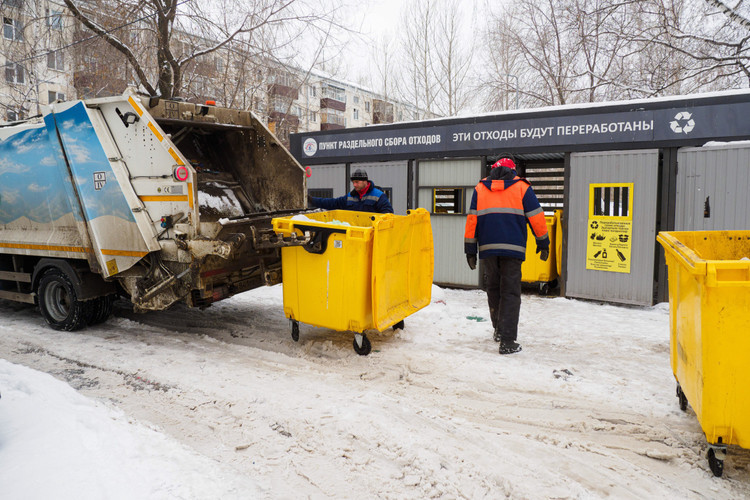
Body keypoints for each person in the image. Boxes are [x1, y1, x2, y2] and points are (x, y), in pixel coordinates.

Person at [464, 157, 549, 355]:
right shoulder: (522, 188)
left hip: (488, 249)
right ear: (513, 170)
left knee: (493, 289)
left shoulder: (480, 189)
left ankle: (499, 331)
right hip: (513, 249)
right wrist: (543, 242)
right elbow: (536, 216)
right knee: (510, 293)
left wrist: (470, 250)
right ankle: (508, 341)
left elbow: (471, 221)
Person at [309, 169, 394, 214]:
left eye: (357, 182)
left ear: (365, 181)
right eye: (353, 182)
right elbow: (333, 203)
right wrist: (312, 200)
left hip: (372, 236)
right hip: (354, 235)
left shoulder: (379, 196)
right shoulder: (350, 197)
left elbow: (388, 215)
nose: (354, 185)